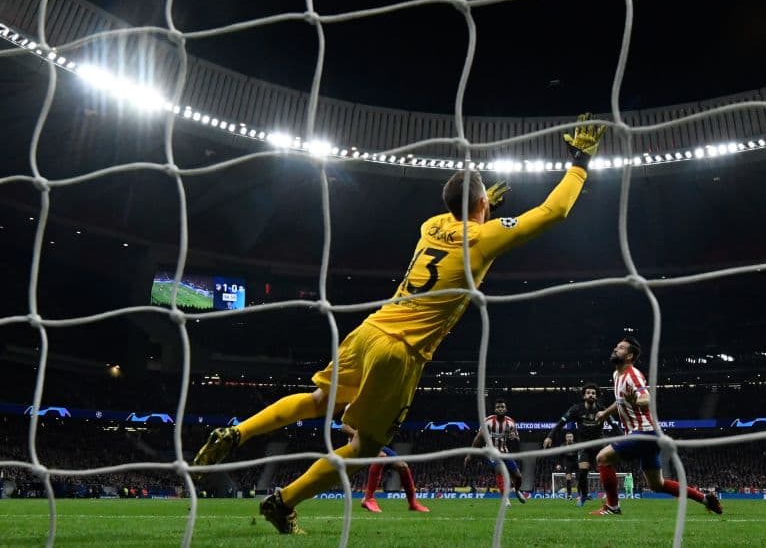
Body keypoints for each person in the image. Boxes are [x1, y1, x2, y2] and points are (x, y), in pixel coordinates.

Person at [192, 114, 606, 533]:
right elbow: (553, 211)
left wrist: (481, 208)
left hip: (369, 330)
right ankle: (283, 502)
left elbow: (460, 214)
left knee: (318, 400)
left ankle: (237, 433)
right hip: (399, 351)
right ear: (483, 205)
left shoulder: (431, 226)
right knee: (364, 448)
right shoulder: (483, 238)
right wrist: (580, 163)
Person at [590, 337, 723, 517]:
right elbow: (621, 401)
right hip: (650, 435)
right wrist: (605, 413)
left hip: (643, 433)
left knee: (603, 458)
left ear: (629, 356)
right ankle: (705, 499)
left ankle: (612, 506)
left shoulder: (633, 375)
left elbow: (646, 398)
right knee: (657, 485)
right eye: (616, 346)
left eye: (620, 348)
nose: (615, 349)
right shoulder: (617, 375)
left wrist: (637, 401)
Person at [543, 382, 623, 507]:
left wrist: (624, 438)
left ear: (596, 396)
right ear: (584, 396)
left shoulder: (602, 409)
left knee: (606, 471)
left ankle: (612, 498)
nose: (591, 395)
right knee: (582, 473)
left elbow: (614, 425)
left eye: (593, 393)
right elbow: (561, 423)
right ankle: (584, 495)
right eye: (588, 393)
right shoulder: (576, 409)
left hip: (599, 444)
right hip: (584, 445)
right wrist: (550, 436)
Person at [329, 424, 429, 514]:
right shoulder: (357, 409)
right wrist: (359, 435)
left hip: (377, 445)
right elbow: (344, 427)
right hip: (357, 443)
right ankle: (368, 498)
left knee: (402, 466)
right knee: (381, 456)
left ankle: (413, 503)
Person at [464, 398, 527, 506]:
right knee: (499, 469)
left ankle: (517, 491)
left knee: (518, 476)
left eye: (502, 407)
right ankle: (505, 498)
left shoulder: (511, 423)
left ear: (506, 409)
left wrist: (514, 437)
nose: (500, 409)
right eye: (498, 407)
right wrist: (470, 455)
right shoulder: (488, 421)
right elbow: (478, 439)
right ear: (495, 409)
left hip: (505, 452)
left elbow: (517, 440)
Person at [555, 432, 578, 499]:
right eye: (568, 437)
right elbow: (560, 455)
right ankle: (569, 495)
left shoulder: (577, 445)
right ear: (566, 438)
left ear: (573, 438)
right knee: (568, 478)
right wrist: (558, 464)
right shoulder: (563, 445)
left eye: (570, 437)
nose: (569, 438)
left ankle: (580, 495)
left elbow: (580, 454)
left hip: (576, 462)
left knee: (579, 478)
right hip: (568, 463)